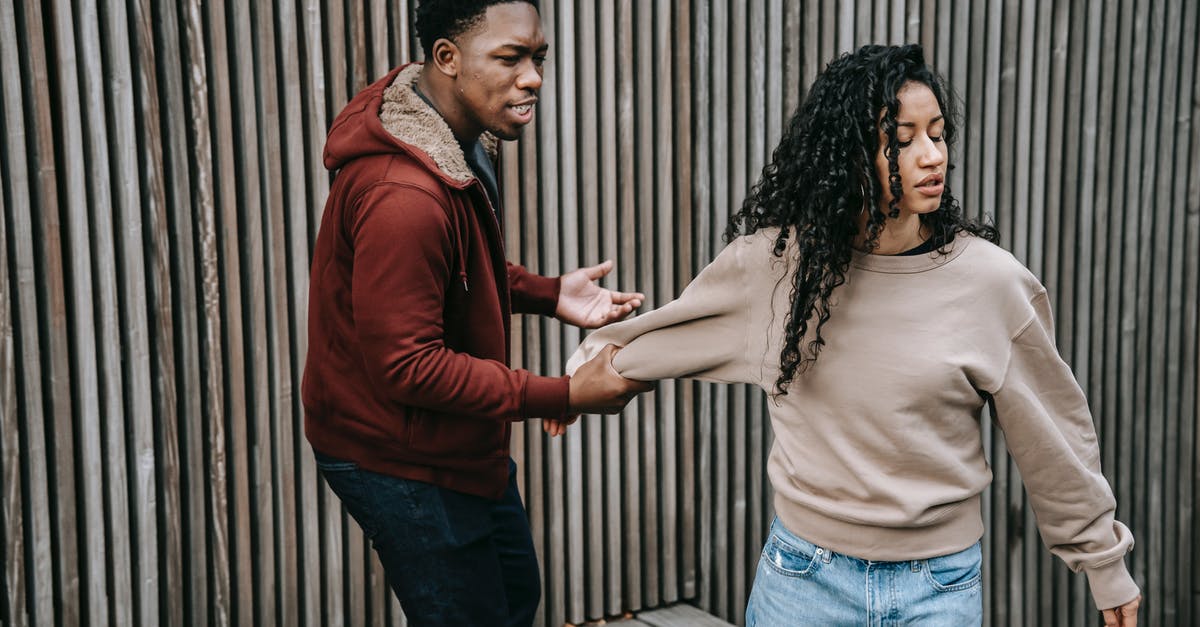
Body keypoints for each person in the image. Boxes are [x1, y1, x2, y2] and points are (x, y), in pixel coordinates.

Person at [567, 44, 1141, 626]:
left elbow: (1051, 436)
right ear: (848, 154)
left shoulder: (988, 282)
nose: (930, 155)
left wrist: (1103, 560)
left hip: (937, 588)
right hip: (802, 581)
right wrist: (579, 381)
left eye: (938, 135)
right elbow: (663, 334)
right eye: (903, 138)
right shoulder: (778, 268)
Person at [301, 1, 651, 624]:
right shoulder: (402, 197)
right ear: (447, 58)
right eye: (511, 58)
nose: (534, 77)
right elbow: (409, 366)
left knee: (514, 596)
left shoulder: (449, 139)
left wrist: (548, 292)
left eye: (538, 57)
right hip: (398, 457)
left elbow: (450, 273)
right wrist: (564, 394)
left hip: (451, 439)